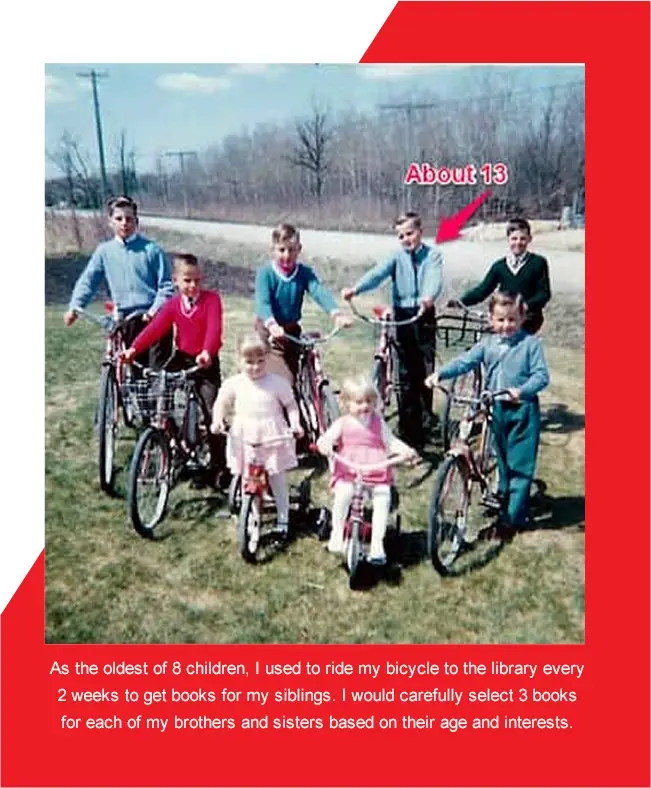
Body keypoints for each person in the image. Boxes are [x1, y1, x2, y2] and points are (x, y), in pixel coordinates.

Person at [426, 291, 550, 540]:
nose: (506, 326)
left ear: (522, 318)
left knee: (519, 467)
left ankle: (509, 523)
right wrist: (440, 374)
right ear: (491, 321)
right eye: (500, 320)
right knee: (501, 458)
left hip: (522, 411)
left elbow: (541, 376)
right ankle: (503, 496)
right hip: (496, 409)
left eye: (512, 320)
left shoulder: (530, 344)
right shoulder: (487, 344)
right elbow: (465, 361)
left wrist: (522, 391)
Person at [122, 253, 228, 489]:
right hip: (182, 357)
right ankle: (170, 442)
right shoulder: (172, 305)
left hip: (205, 362)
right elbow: (155, 329)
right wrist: (133, 349)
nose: (193, 286)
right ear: (176, 281)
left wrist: (207, 352)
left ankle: (219, 467)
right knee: (161, 392)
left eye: (197, 281)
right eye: (187, 281)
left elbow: (214, 330)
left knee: (212, 412)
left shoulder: (212, 300)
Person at [341, 211, 444, 452]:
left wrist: (428, 297)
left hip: (423, 316)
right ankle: (408, 432)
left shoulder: (433, 256)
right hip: (402, 316)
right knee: (404, 377)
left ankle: (424, 423)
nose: (406, 239)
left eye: (410, 233)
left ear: (420, 231)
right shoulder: (396, 257)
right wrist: (355, 289)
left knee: (424, 374)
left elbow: (434, 278)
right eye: (401, 236)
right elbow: (377, 274)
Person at [316, 375, 418, 565]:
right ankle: (337, 532)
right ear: (346, 403)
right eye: (359, 402)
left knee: (382, 496)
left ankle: (377, 545)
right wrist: (325, 444)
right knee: (344, 494)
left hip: (375, 471)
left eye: (369, 401)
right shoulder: (343, 423)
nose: (365, 406)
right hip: (349, 469)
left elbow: (391, 441)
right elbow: (327, 438)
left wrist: (405, 450)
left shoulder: (378, 423)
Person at [64, 195, 175, 368]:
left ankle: (160, 394)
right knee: (133, 373)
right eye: (119, 218)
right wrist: (75, 306)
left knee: (156, 371)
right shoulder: (104, 252)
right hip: (126, 319)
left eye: (129, 219)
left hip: (154, 318)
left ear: (136, 222)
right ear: (110, 222)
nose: (124, 223)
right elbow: (88, 280)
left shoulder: (152, 250)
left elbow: (166, 287)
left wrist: (153, 311)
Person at [211, 334, 304, 538]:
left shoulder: (277, 382)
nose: (255, 367)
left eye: (261, 361)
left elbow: (290, 405)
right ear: (239, 360)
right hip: (245, 436)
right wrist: (217, 420)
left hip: (272, 436)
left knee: (277, 477)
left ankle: (283, 518)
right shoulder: (234, 383)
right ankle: (251, 515)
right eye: (249, 362)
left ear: (267, 359)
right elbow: (221, 403)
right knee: (247, 477)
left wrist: (295, 423)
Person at [254, 222, 353, 384]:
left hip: (290, 328)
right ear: (273, 250)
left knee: (291, 375)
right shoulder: (266, 273)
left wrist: (336, 313)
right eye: (282, 250)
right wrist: (271, 324)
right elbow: (262, 303)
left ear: (299, 249)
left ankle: (295, 400)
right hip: (267, 327)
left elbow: (318, 291)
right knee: (265, 373)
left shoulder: (304, 273)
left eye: (291, 250)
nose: (287, 255)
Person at [452, 217, 551, 334]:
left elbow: (544, 293)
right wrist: (461, 302)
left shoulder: (538, 263)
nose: (518, 242)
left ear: (529, 239)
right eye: (514, 239)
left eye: (522, 239)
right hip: (504, 317)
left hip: (528, 318)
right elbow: (483, 289)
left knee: (516, 344)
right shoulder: (500, 266)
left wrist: (525, 306)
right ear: (508, 240)